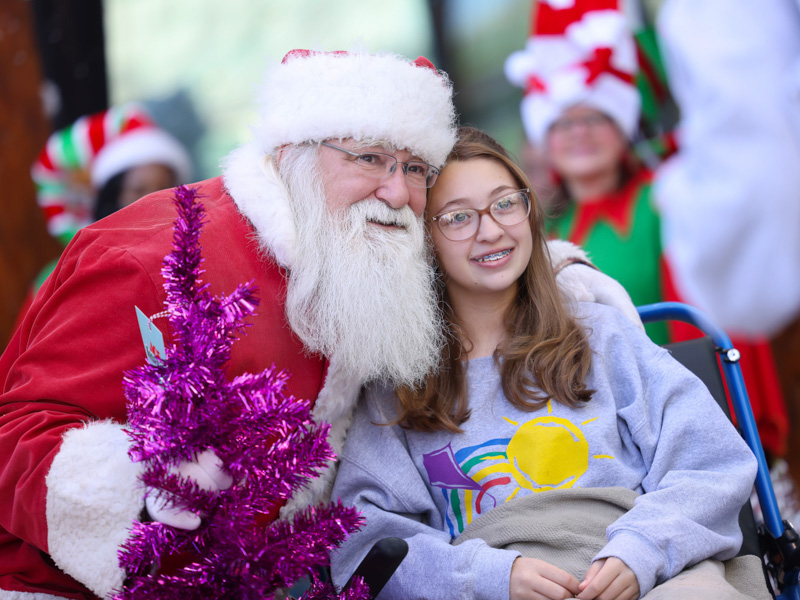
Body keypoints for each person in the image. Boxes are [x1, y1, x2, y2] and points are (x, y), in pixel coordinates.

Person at [0, 50, 635, 600]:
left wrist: (554, 279)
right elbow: (15, 433)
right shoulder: (155, 253)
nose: (395, 190)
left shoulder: (367, 240)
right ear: (291, 155)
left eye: (415, 169)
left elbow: (462, 255)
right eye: (369, 157)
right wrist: (148, 495)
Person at [330, 127, 764, 600]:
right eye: (458, 217)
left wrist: (640, 549)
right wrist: (484, 578)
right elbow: (361, 541)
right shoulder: (398, 384)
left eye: (505, 203)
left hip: (651, 572)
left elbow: (713, 464)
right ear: (425, 239)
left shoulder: (601, 335)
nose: (492, 230)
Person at [504, 0, 789, 472]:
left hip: (695, 414)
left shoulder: (668, 199)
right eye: (562, 122)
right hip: (602, 433)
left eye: (595, 117)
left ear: (624, 127)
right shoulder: (540, 232)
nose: (579, 133)